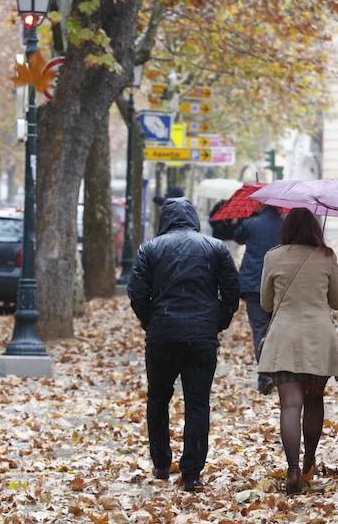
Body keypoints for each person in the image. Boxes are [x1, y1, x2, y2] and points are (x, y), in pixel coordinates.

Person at [127, 198, 240, 492]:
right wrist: (217, 322)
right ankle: (191, 473)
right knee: (198, 403)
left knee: (158, 398)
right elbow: (231, 291)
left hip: (162, 335)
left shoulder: (150, 249)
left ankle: (161, 463)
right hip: (201, 336)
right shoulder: (215, 248)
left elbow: (137, 292)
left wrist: (151, 322)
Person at [258, 208, 338, 495]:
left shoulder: (273, 256)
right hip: (318, 339)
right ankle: (309, 461)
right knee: (314, 400)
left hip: (285, 339)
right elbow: (337, 301)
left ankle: (292, 469)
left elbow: (266, 303)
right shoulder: (326, 256)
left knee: (290, 405)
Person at [233, 203, 282, 394]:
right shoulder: (285, 225)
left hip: (254, 283)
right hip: (279, 284)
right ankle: (278, 373)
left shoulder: (252, 223)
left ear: (262, 204)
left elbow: (237, 237)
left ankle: (265, 376)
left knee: (260, 330)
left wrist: (248, 217)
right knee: (276, 330)